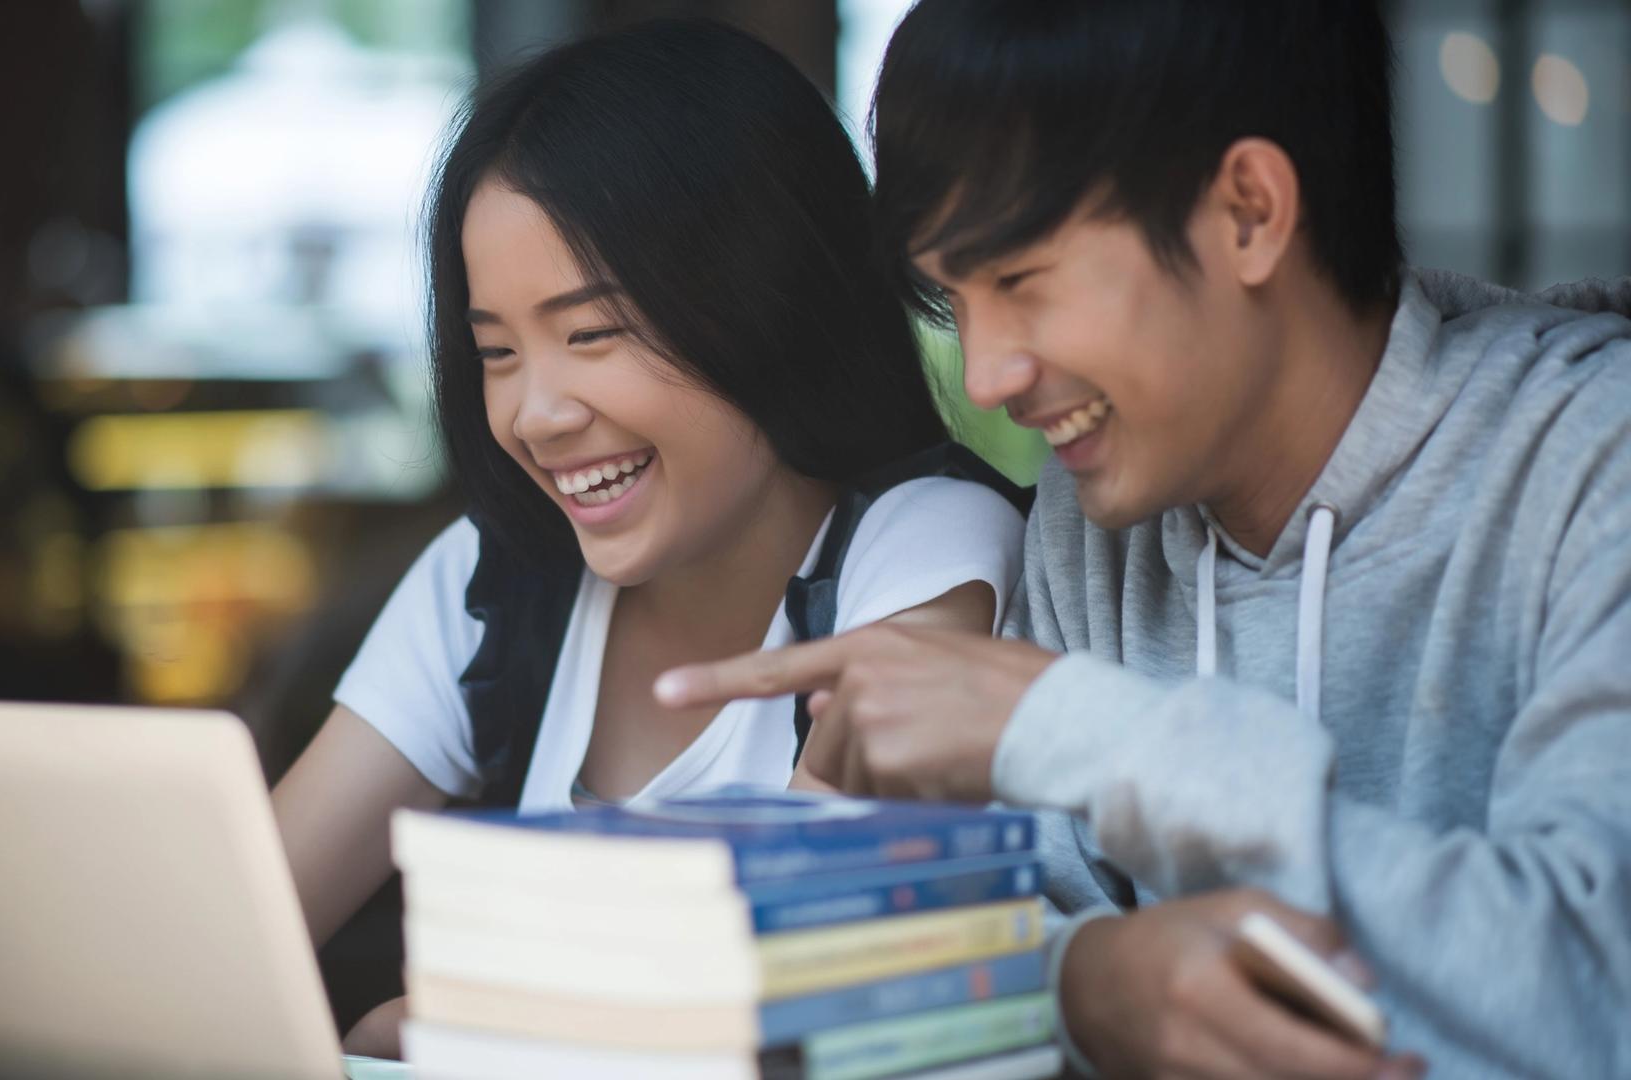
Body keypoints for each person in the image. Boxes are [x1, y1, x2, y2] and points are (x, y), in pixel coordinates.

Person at [655, 1, 1631, 1076]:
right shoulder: (1095, 521)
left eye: (1021, 280)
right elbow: (994, 949)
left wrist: (1082, 729)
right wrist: (1092, 984)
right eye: (952, 300)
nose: (985, 378)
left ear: (1250, 212)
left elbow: (1595, 989)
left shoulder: (1595, 461)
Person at [270, 18, 1028, 1059]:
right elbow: (241, 927)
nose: (536, 413)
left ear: (767, 305)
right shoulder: (490, 578)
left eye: (591, 333)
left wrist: (479, 1017)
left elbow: (798, 963)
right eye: (495, 351)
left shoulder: (925, 545)